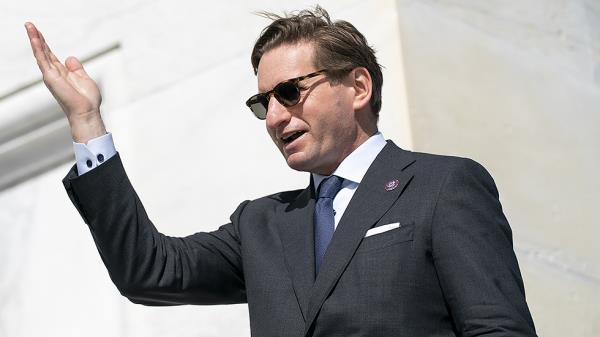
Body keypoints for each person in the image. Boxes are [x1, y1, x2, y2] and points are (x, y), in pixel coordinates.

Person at [25, 6, 537, 337]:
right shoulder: (262, 226)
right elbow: (148, 270)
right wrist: (86, 121)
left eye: (291, 92)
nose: (273, 118)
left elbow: (497, 329)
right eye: (262, 102)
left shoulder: (442, 186)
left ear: (358, 87)